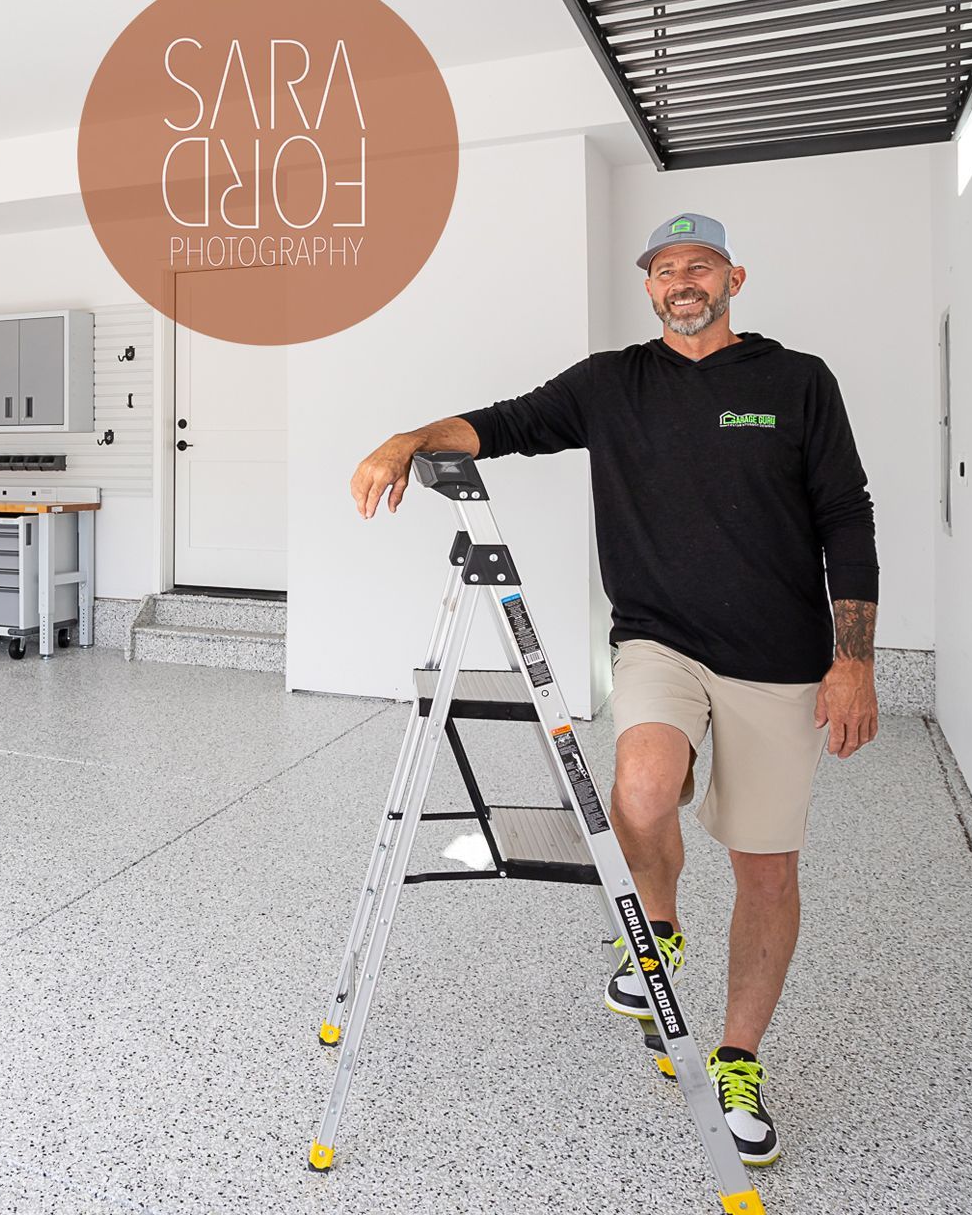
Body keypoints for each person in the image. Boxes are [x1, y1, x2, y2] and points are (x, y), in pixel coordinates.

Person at [346, 213, 879, 1167]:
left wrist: (855, 660)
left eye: (700, 265)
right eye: (666, 268)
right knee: (637, 786)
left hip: (780, 660)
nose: (682, 280)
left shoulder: (797, 381)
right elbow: (498, 425)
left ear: (734, 278)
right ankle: (659, 932)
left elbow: (847, 512)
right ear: (649, 288)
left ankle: (739, 1057)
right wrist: (403, 437)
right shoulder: (611, 383)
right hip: (658, 643)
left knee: (765, 868)